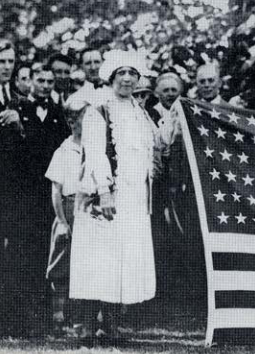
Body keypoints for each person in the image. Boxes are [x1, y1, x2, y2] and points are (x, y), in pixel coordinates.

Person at [70, 50, 162, 342]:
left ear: (138, 78)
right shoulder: (99, 109)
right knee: (96, 259)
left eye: (132, 73)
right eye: (120, 73)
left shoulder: (140, 111)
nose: (126, 78)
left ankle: (109, 326)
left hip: (133, 200)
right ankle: (86, 326)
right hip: (104, 196)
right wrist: (105, 191)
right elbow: (95, 152)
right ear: (111, 77)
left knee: (120, 260)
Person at [17, 65, 71, 315]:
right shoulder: (17, 110)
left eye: (50, 81)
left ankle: (53, 312)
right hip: (23, 193)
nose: (46, 85)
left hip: (50, 193)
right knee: (26, 250)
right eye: (41, 80)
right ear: (30, 82)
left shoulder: (59, 113)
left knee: (51, 250)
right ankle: (27, 311)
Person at [45, 99, 88, 336]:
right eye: (83, 118)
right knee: (61, 266)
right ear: (71, 122)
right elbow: (56, 190)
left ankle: (80, 319)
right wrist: (61, 221)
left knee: (84, 265)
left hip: (88, 210)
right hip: (68, 210)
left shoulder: (95, 148)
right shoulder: (63, 151)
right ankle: (57, 317)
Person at [0, 39, 28, 335]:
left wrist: (20, 125)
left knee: (14, 255)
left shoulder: (19, 98)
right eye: (2, 62)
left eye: (10, 61)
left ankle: (10, 320)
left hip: (14, 191)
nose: (6, 67)